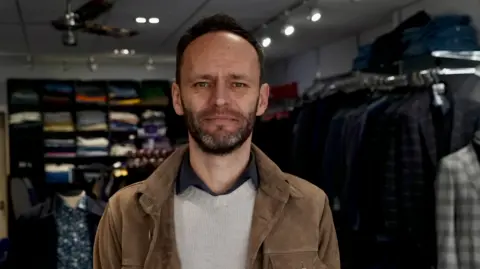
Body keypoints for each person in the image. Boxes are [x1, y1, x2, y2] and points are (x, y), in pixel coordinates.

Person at [93, 13, 340, 269]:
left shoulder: (310, 206)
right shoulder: (124, 214)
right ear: (177, 98)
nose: (220, 99)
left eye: (238, 84)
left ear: (263, 99)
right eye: (202, 83)